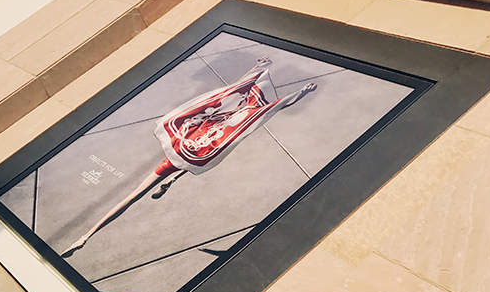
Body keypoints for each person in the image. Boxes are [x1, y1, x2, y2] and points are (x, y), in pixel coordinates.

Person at [60, 58, 317, 257]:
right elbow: (240, 95)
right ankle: (92, 232)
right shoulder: (223, 120)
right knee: (152, 185)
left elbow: (242, 96)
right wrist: (284, 85)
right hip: (189, 155)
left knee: (138, 192)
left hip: (188, 154)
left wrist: (282, 84)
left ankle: (88, 234)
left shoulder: (221, 119)